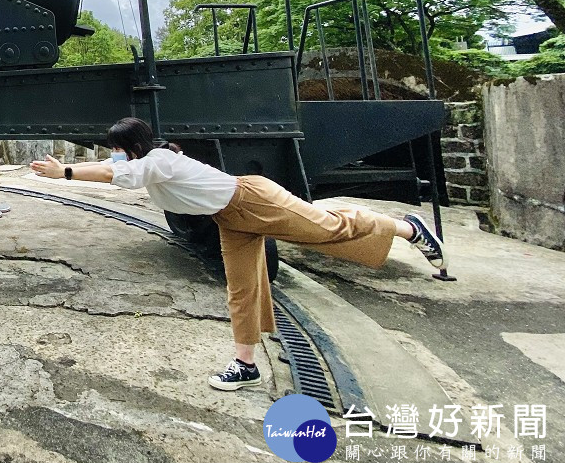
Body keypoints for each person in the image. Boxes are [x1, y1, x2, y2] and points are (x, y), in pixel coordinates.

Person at [30, 117, 445, 392]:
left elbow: (111, 172)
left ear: (133, 146)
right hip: (229, 217)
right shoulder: (150, 161)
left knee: (327, 227)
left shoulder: (157, 160)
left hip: (251, 198)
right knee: (242, 287)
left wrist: (65, 173)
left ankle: (408, 228)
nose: (114, 153)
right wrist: (70, 168)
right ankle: (246, 363)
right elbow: (115, 168)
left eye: (117, 147)